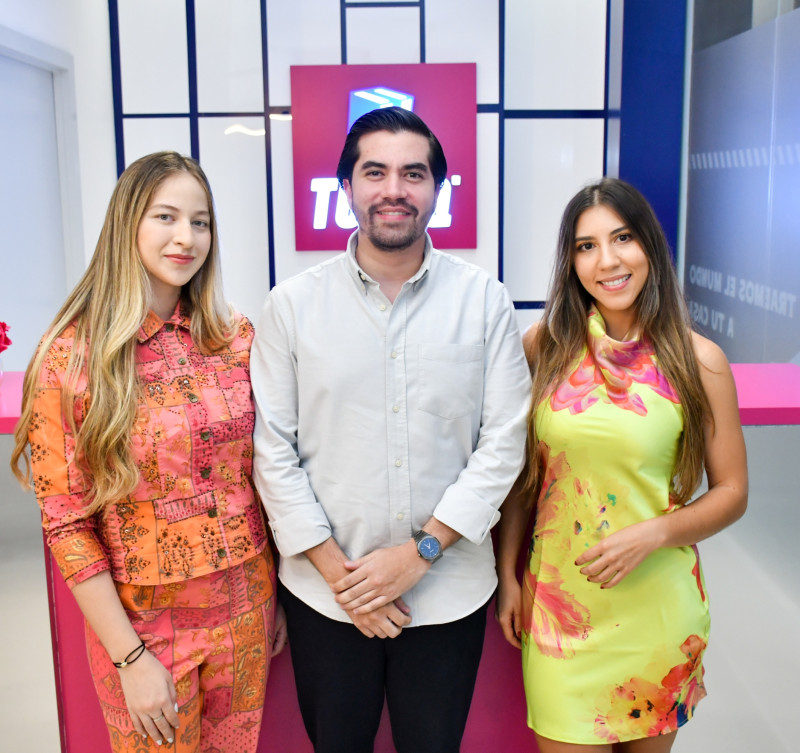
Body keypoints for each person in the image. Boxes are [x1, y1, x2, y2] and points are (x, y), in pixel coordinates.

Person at [250, 107, 531, 753]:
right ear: (346, 186)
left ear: (437, 189)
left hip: (447, 590)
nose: (393, 189)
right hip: (326, 595)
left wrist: (419, 553)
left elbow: (503, 442)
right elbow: (273, 450)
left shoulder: (484, 301)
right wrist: (342, 578)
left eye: (414, 172)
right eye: (374, 171)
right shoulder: (291, 305)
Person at [11, 151, 286, 752]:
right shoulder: (73, 356)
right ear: (127, 223)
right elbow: (66, 524)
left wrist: (276, 595)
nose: (186, 238)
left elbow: (262, 474)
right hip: (144, 629)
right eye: (165, 217)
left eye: (201, 221)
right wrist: (129, 657)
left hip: (246, 610)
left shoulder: (234, 337)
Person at [495, 177, 748, 752]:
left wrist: (653, 533)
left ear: (650, 248)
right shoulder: (545, 347)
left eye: (623, 238)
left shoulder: (699, 360)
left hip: (655, 611)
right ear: (571, 262)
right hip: (562, 611)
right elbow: (520, 481)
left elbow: (733, 491)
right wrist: (507, 576)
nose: (607, 260)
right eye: (586, 246)